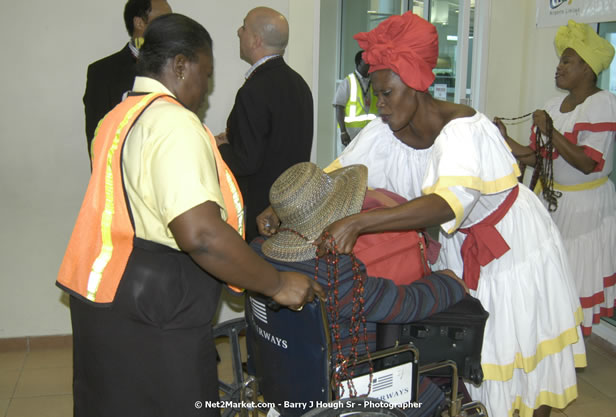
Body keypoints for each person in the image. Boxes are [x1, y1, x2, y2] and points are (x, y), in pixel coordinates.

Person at [258, 12, 586, 417]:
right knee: (473, 350)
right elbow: (334, 177)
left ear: (416, 84)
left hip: (512, 246)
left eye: (388, 93)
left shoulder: (465, 129)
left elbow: (447, 204)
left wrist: (359, 221)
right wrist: (279, 206)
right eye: (376, 93)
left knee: (516, 345)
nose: (380, 104)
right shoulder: (384, 132)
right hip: (460, 243)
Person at [58, 14, 323, 417]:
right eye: (206, 73)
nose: (206, 89)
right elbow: (199, 234)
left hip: (107, 296)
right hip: (158, 304)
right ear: (181, 65)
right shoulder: (173, 122)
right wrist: (277, 283)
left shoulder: (118, 116)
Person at [252, 161, 468, 417]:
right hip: (345, 381)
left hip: (286, 371)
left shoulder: (257, 253)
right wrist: (449, 282)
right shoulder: (333, 272)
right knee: (439, 377)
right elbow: (403, 304)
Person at [495, 19, 616, 337]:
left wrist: (550, 132)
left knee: (577, 274)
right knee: (550, 271)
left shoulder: (602, 103)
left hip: (585, 209)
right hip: (553, 203)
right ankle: (553, 340)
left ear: (587, 67)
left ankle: (574, 345)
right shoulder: (554, 105)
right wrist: (503, 139)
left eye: (567, 60)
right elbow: (534, 157)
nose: (559, 66)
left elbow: (587, 163)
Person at [216, 6, 314, 242]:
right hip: (290, 211)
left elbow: (246, 162)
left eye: (244, 27)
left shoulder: (253, 91)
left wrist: (221, 145)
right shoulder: (300, 85)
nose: (239, 32)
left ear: (256, 40)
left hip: (258, 216)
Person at [83, 0, 172, 157]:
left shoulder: (177, 66)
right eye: (163, 19)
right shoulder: (102, 73)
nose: (172, 26)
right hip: (123, 174)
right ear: (139, 23)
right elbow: (98, 141)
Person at [334, 50, 378, 146]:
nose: (369, 64)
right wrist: (343, 132)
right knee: (348, 161)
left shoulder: (374, 82)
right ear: (359, 63)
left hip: (370, 134)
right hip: (350, 133)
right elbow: (339, 107)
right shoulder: (348, 82)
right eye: (366, 61)